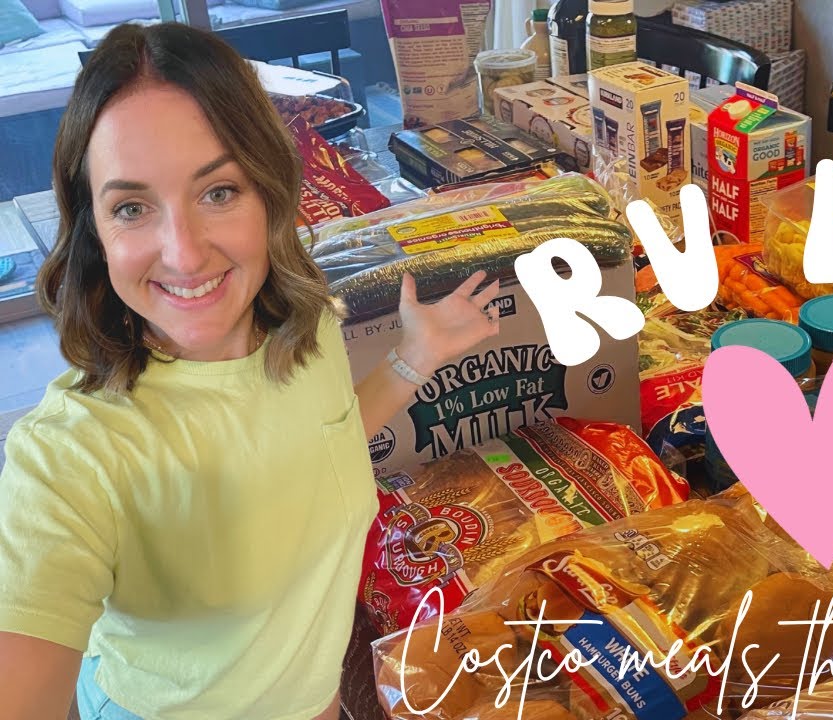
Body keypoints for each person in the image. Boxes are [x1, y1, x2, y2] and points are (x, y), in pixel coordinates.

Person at [0, 22, 500, 720]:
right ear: (95, 231)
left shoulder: (304, 324)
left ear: (269, 190)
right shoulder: (69, 455)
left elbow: (320, 449)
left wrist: (415, 357)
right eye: (132, 208)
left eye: (218, 192)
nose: (184, 254)